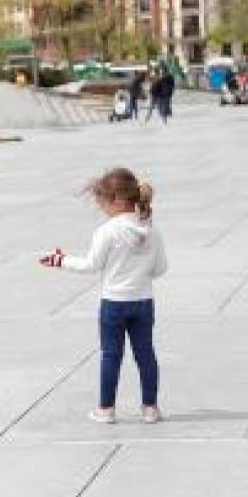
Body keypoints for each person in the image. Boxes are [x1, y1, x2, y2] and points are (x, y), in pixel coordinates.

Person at [39, 167, 168, 425]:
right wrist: (140, 272)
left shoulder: (107, 231)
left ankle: (106, 409)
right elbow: (161, 268)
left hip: (114, 303)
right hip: (143, 302)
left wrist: (61, 260)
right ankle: (150, 408)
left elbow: (90, 265)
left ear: (116, 200)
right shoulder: (151, 230)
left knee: (111, 354)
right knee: (145, 354)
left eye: (101, 202)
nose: (101, 208)